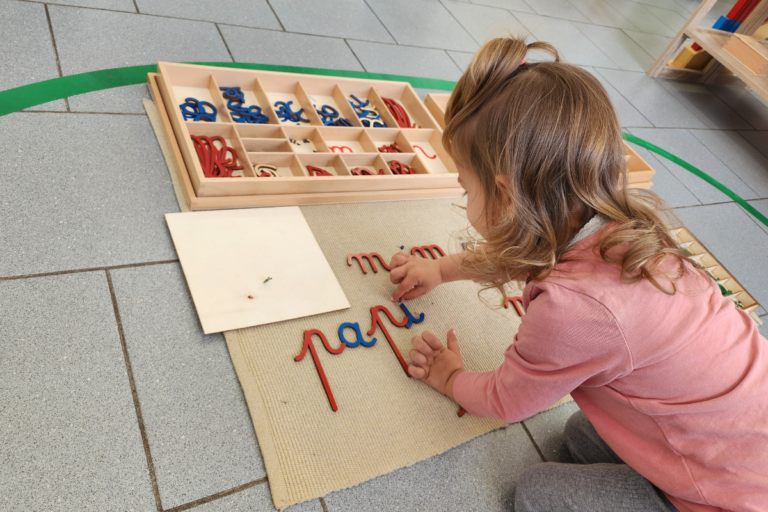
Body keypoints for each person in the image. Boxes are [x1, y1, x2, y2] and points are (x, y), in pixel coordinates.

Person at [388, 36, 768, 512]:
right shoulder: (610, 221)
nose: (464, 202)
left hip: (731, 494)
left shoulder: (576, 310)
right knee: (579, 434)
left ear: (507, 197)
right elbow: (522, 248)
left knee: (538, 493)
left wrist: (451, 377)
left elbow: (509, 401)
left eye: (466, 187)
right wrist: (442, 269)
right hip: (743, 429)